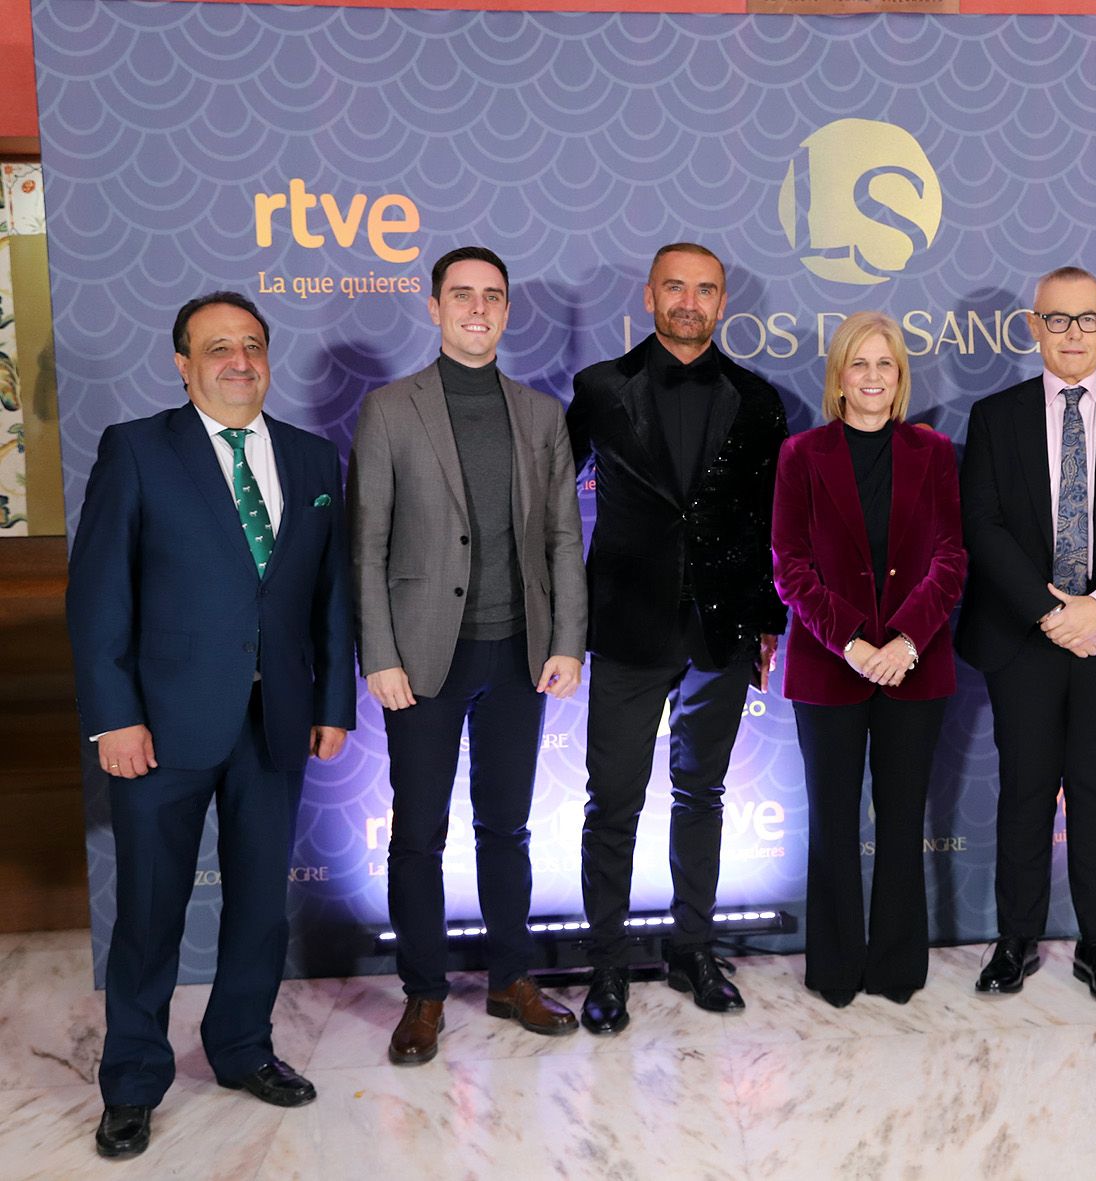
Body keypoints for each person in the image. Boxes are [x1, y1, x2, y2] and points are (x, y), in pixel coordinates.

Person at [66, 292, 355, 1159]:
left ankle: (241, 1047)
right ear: (183, 364)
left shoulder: (311, 456)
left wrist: (333, 703)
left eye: (252, 344)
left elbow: (329, 593)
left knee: (262, 905)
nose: (239, 361)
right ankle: (132, 1081)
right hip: (161, 727)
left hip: (278, 720)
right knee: (150, 909)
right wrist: (115, 718)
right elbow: (98, 597)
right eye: (218, 347)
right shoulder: (137, 449)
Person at [348, 246, 586, 1065]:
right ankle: (424, 993)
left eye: (492, 296)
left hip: (518, 652)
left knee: (507, 826)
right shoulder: (390, 409)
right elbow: (367, 542)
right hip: (422, 658)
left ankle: (512, 978)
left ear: (507, 310)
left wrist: (567, 640)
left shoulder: (542, 414)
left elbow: (563, 538)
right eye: (462, 295)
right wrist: (379, 652)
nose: (478, 308)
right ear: (435, 307)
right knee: (418, 834)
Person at [566, 242, 788, 1033]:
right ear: (650, 295)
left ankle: (693, 948)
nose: (690, 302)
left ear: (722, 301)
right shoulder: (600, 388)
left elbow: (768, 520)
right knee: (612, 801)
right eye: (675, 287)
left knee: (702, 794)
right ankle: (607, 963)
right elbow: (553, 506)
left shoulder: (758, 399)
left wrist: (767, 619)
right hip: (626, 627)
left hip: (719, 631)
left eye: (705, 289)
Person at [957, 266, 1096, 1002]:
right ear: (1035, 328)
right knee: (1025, 786)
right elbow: (982, 524)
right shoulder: (995, 415)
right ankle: (1015, 940)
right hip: (1023, 629)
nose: (1073, 334)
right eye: (1057, 320)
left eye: (1088, 319)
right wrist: (1051, 612)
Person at [771, 311, 966, 1008]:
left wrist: (905, 641)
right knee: (832, 821)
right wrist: (852, 641)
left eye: (886, 364)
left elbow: (950, 558)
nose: (874, 376)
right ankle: (834, 965)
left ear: (900, 376)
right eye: (860, 363)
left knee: (903, 818)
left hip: (916, 666)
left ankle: (895, 964)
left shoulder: (932, 451)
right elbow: (790, 566)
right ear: (839, 376)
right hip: (830, 667)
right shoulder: (801, 454)